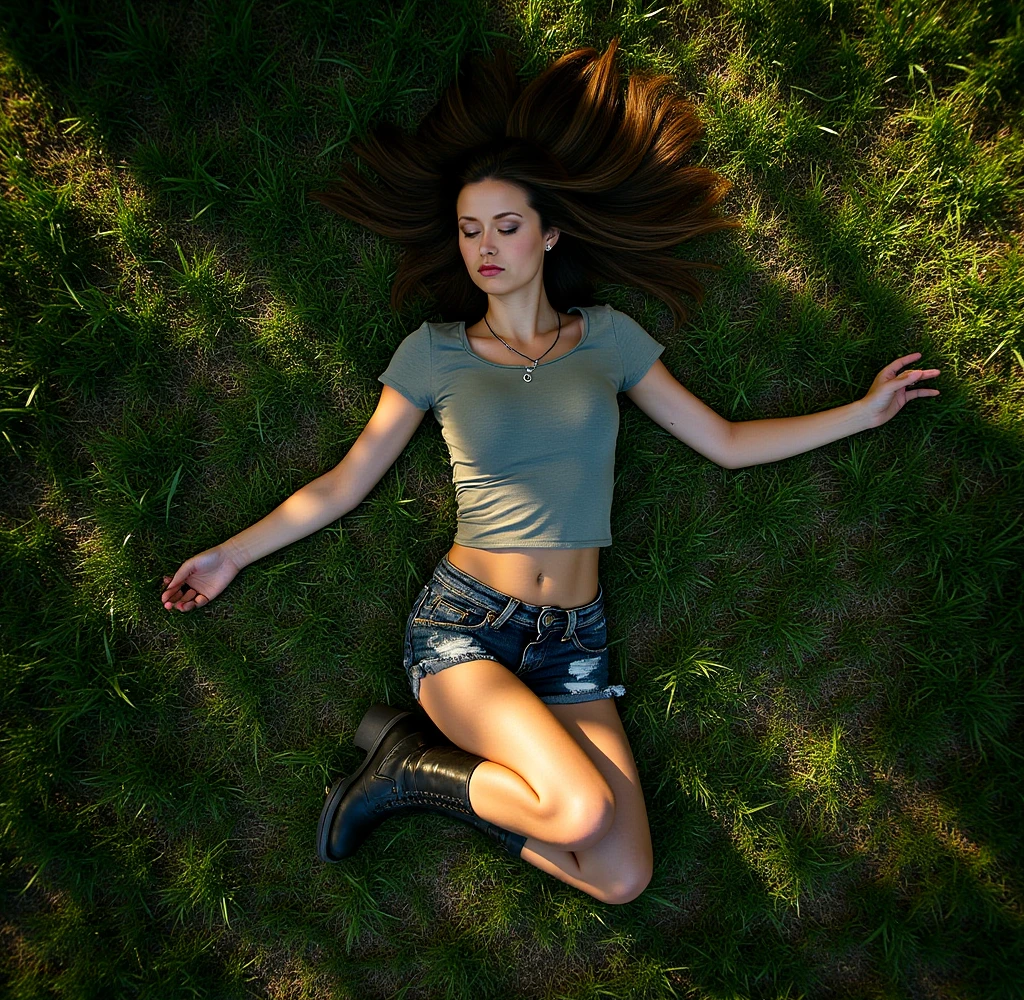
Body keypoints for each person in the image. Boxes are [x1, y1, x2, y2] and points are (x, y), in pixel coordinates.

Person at [160, 41, 940, 905]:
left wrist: (859, 414)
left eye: (505, 225)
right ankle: (405, 764)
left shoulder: (607, 339)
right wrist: (230, 554)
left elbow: (722, 440)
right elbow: (346, 482)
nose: (485, 247)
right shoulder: (436, 352)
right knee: (574, 816)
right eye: (469, 230)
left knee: (621, 874)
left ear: (548, 233)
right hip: (466, 630)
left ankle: (413, 768)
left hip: (574, 643)